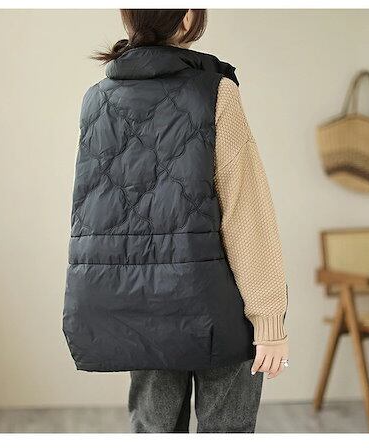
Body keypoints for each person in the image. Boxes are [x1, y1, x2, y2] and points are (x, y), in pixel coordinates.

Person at [62, 9, 289, 433]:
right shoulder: (214, 91)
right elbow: (246, 211)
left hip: (138, 308)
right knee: (227, 432)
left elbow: (94, 217)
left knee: (153, 431)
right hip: (218, 307)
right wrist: (269, 319)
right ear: (187, 18)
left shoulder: (96, 98)